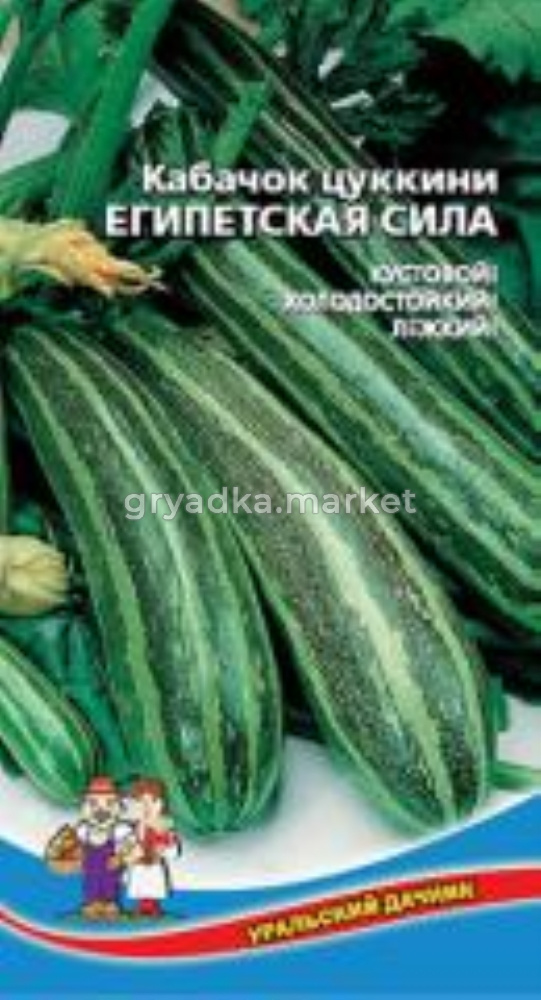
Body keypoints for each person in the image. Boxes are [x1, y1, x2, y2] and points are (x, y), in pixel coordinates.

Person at [124, 778, 181, 918]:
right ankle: (141, 907)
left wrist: (165, 850)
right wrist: (130, 852)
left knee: (154, 886)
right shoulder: (134, 828)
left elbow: (173, 849)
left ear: (160, 804)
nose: (146, 808)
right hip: (139, 863)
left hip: (155, 862)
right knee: (140, 885)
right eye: (141, 803)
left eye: (151, 802)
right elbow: (128, 845)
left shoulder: (164, 828)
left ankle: (154, 907)